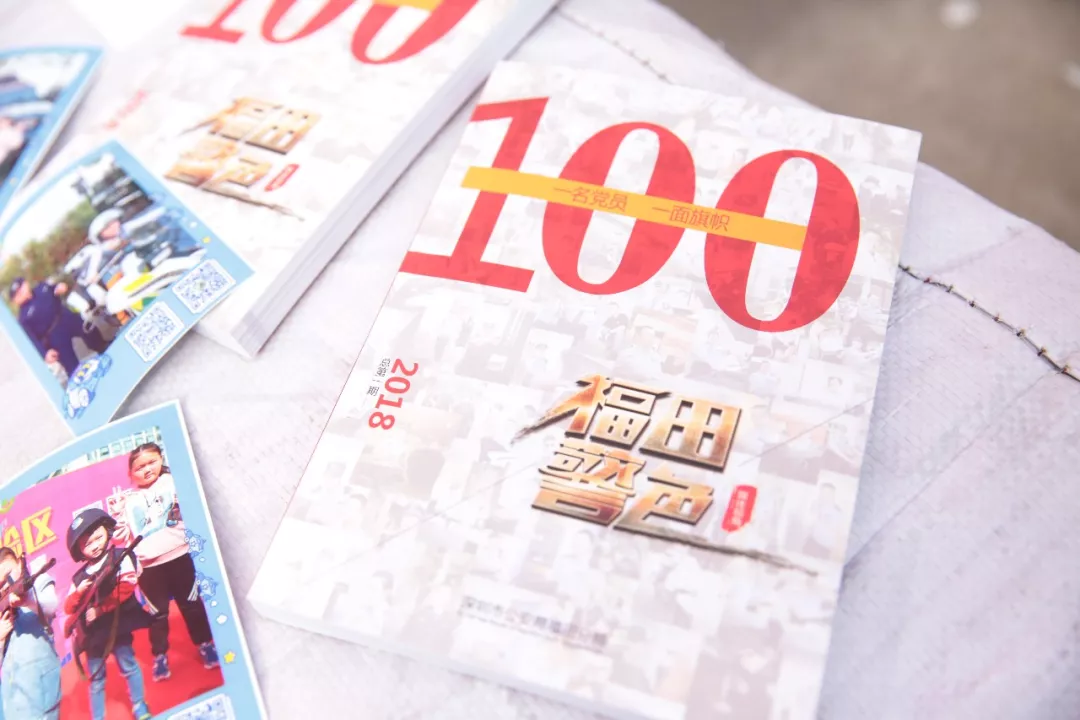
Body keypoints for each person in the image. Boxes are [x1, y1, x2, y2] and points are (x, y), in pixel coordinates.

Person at [114, 443, 218, 682]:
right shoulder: (128, 501)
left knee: (192, 605)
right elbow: (121, 537)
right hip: (149, 568)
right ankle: (159, 655)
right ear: (130, 474)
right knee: (157, 614)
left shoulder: (174, 482)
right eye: (140, 467)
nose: (147, 469)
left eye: (152, 462)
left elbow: (194, 510)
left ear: (161, 460)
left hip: (181, 556)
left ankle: (205, 644)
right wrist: (118, 514)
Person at [64, 509, 152, 720]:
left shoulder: (120, 556)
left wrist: (101, 609)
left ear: (107, 531)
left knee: (129, 666)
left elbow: (127, 585)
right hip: (93, 636)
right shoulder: (79, 577)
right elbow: (68, 608)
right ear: (79, 550)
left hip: (116, 626)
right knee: (96, 680)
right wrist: (79, 592)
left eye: (97, 538)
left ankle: (139, 706)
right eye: (87, 544)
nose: (94, 546)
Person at [0, 548, 62, 720]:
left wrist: (28, 601)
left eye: (8, 575)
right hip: (12, 699)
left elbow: (52, 606)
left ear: (20, 563)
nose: (5, 585)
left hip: (42, 690)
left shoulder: (37, 581)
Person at [6, 277, 108, 378]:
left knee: (91, 333)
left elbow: (54, 289)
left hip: (66, 317)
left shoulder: (41, 287)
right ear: (15, 301)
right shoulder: (23, 318)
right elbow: (32, 339)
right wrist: (45, 354)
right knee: (72, 368)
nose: (21, 293)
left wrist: (60, 287)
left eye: (21, 288)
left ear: (26, 283)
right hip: (54, 336)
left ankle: (105, 349)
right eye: (17, 295)